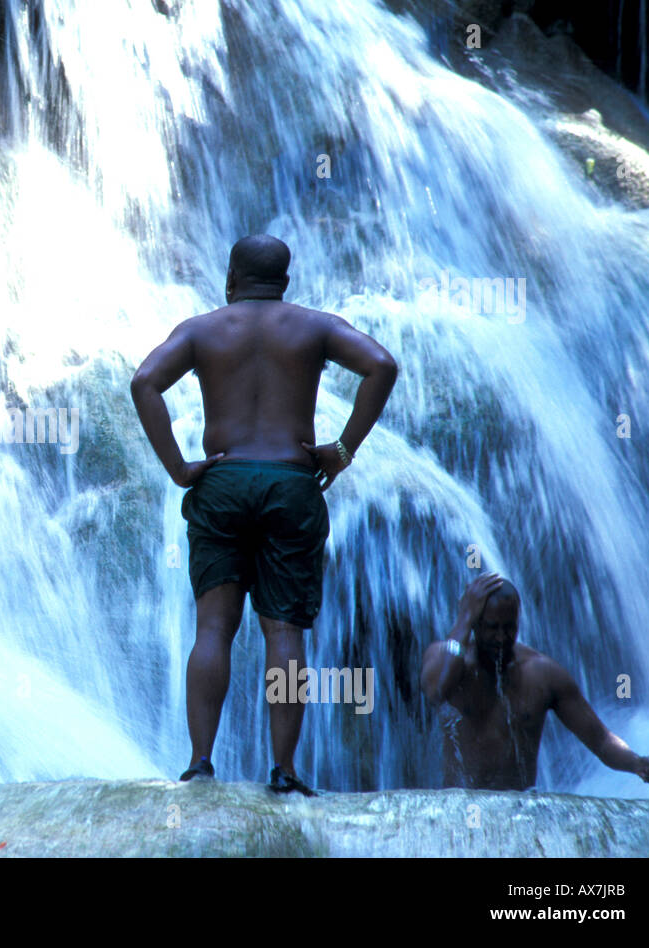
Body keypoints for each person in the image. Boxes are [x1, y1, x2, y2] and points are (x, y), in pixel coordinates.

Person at [131, 235, 397, 794]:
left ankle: (201, 764)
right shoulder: (314, 326)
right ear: (286, 282)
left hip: (223, 483)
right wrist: (342, 451)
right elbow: (381, 365)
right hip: (290, 483)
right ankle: (284, 770)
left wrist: (180, 468)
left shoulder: (202, 329)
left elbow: (144, 382)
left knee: (213, 629)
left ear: (230, 278)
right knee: (284, 634)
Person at [421, 573, 649, 790]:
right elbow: (436, 690)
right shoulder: (447, 660)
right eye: (491, 628)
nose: (500, 637)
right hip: (460, 813)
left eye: (509, 628)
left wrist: (638, 763)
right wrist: (463, 620)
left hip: (521, 812)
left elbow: (601, 740)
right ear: (474, 625)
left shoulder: (544, 674)